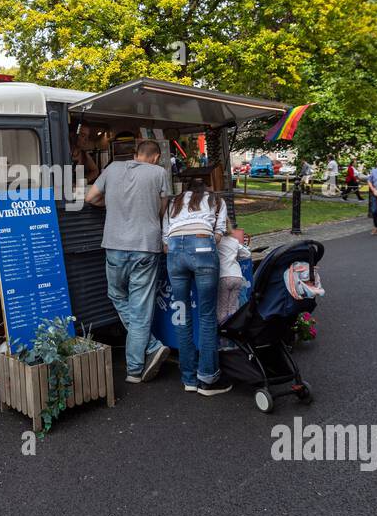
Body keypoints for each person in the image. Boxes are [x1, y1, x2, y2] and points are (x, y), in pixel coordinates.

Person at [85, 139, 170, 383]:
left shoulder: (111, 168)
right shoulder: (159, 172)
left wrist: (111, 205)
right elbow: (162, 210)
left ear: (135, 154)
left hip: (114, 245)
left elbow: (91, 198)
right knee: (140, 306)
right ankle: (138, 364)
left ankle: (148, 352)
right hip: (145, 246)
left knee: (116, 295)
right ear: (155, 157)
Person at [163, 178, 233, 396]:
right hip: (203, 247)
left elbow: (165, 240)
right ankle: (208, 379)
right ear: (207, 188)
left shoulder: (173, 203)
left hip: (175, 251)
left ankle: (188, 379)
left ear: (185, 188)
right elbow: (220, 233)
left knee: (182, 315)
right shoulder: (216, 200)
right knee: (207, 315)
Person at [216, 228, 253, 322]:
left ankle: (222, 331)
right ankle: (233, 328)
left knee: (222, 309)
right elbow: (247, 254)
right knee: (233, 307)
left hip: (223, 276)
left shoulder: (216, 241)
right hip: (237, 276)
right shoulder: (234, 241)